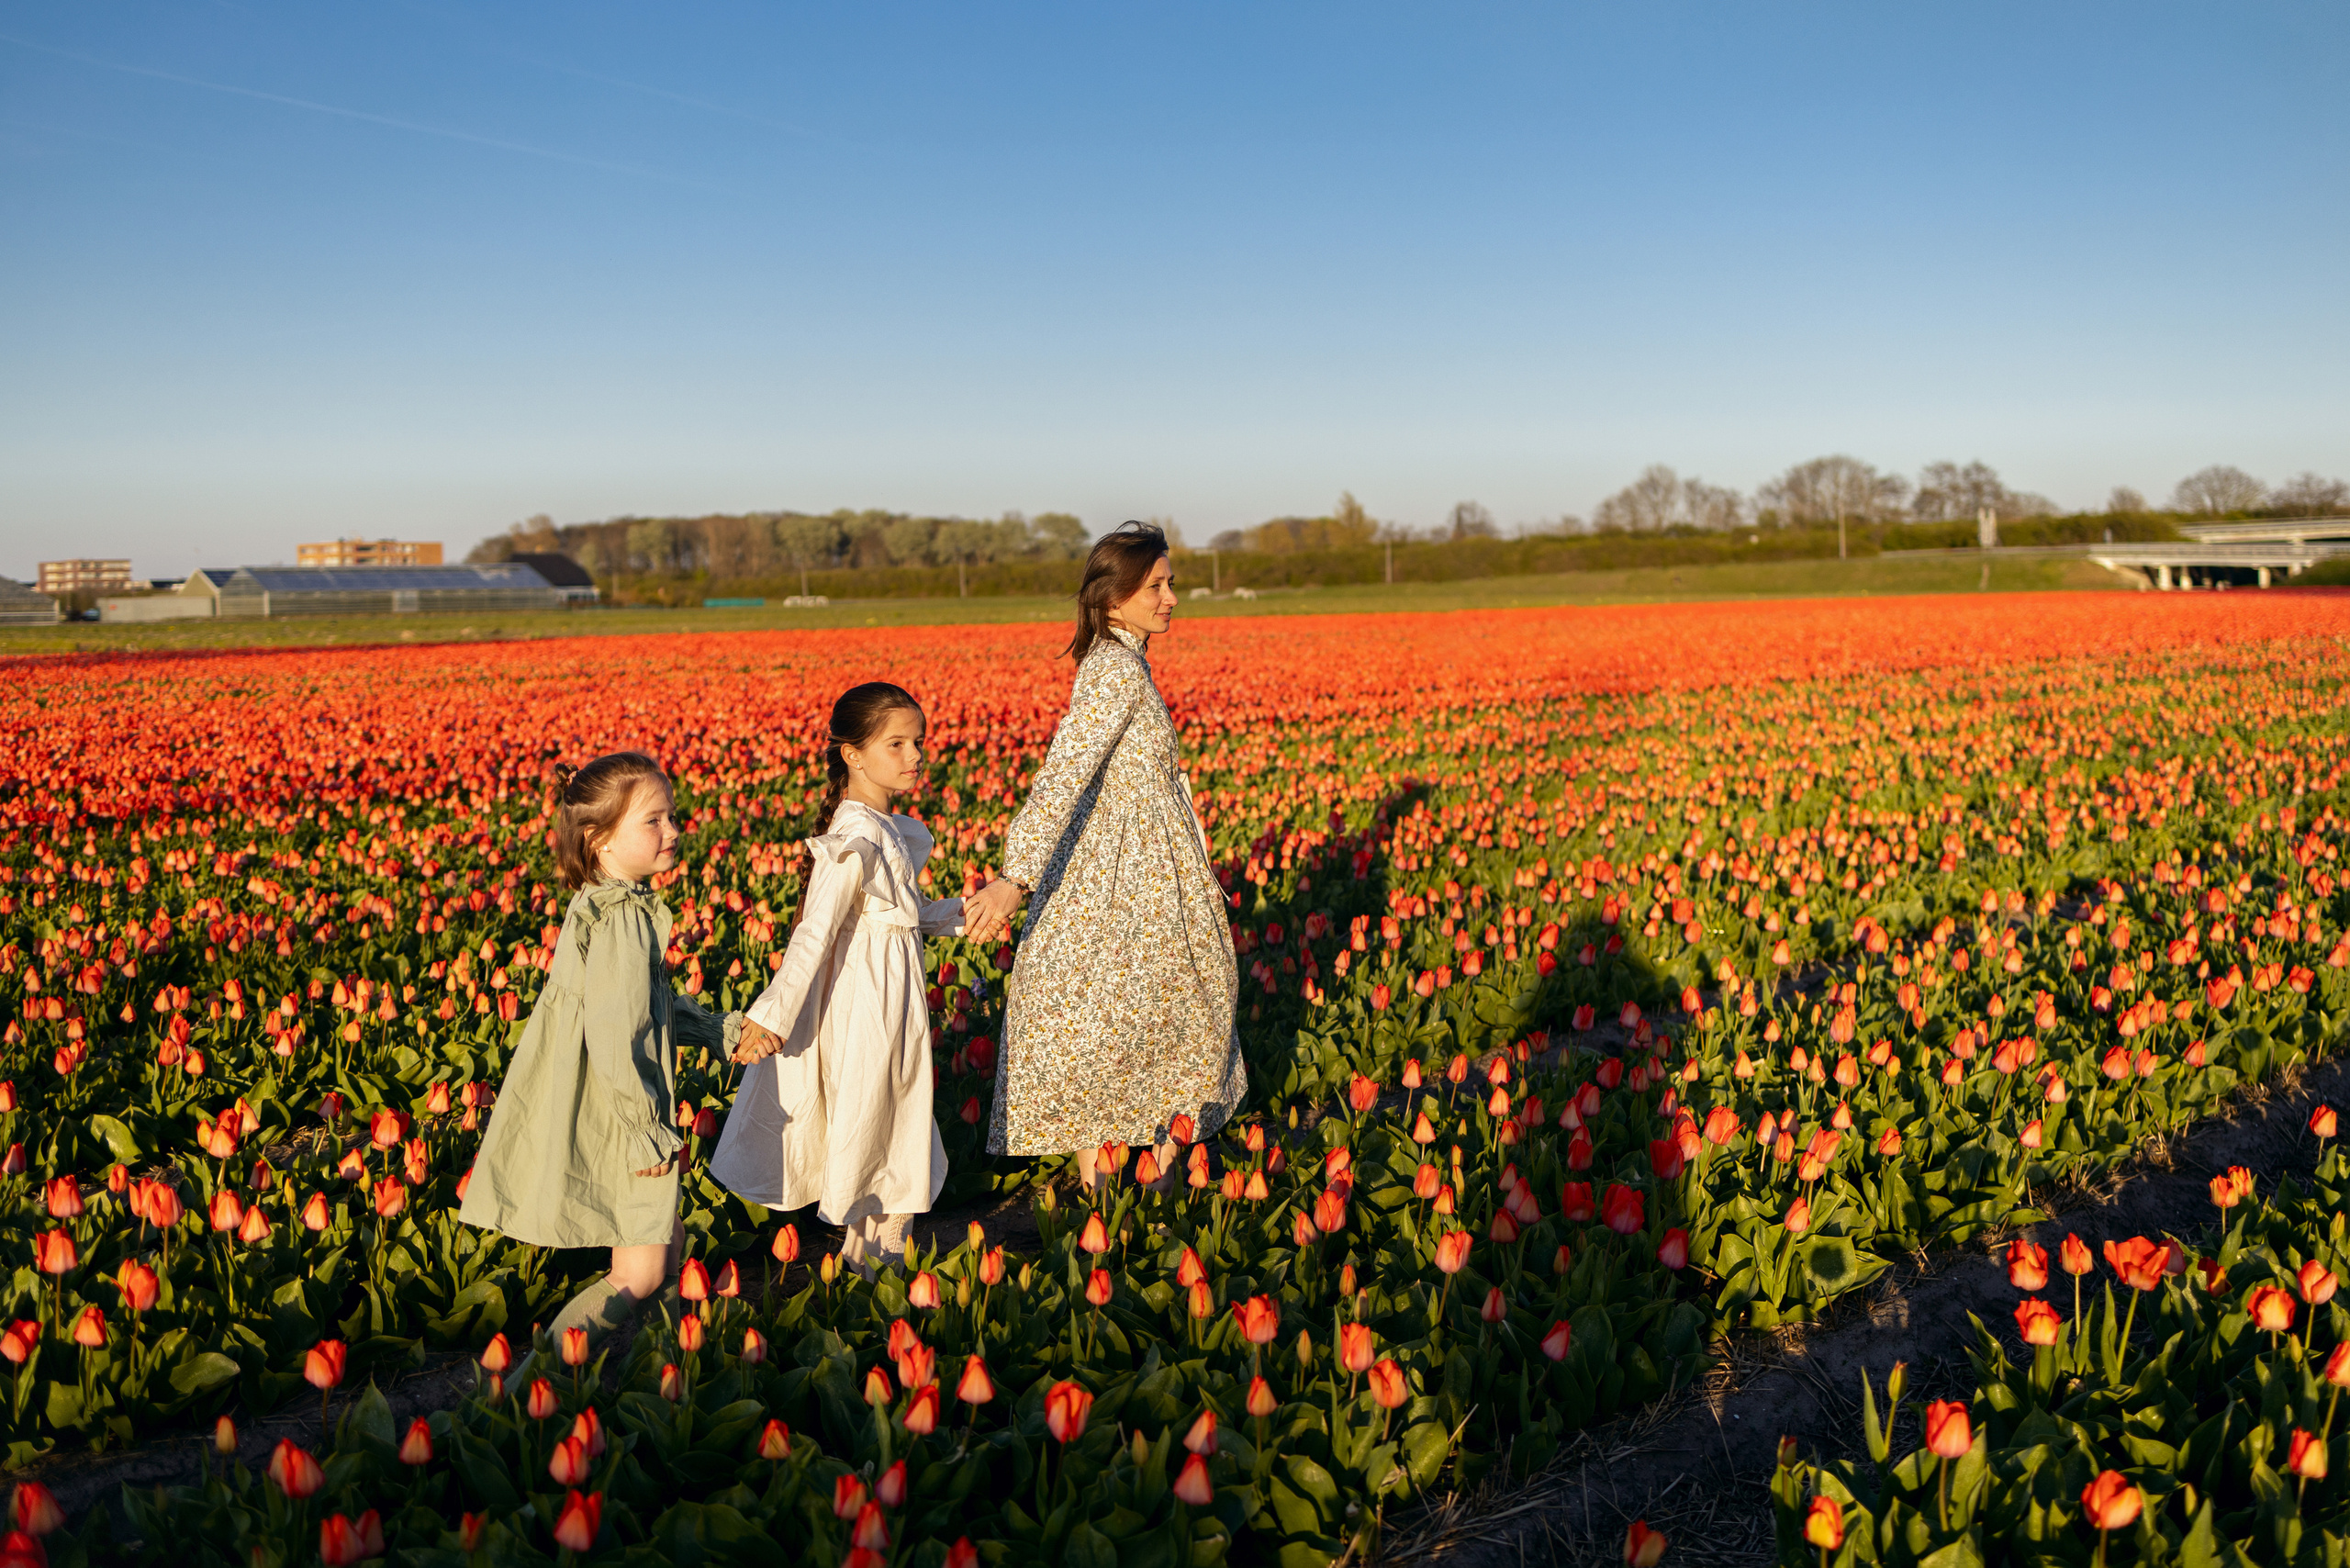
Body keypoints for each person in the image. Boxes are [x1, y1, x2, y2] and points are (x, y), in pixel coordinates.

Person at [963, 522, 1245, 1185]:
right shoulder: (1114, 671)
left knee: (1160, 1018)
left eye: (1171, 581)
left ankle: (1143, 1187)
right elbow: (1065, 773)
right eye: (1157, 585)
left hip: (1145, 870)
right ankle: (1128, 1193)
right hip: (1125, 877)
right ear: (1113, 598)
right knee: (1137, 1023)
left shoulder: (1126, 663)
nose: (1172, 596)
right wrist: (1016, 878)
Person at [459, 751, 757, 1367]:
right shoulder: (621, 917)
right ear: (599, 841)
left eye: (672, 816)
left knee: (667, 1250)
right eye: (654, 820)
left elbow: (649, 1003)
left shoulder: (610, 902)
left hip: (609, 1105)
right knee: (640, 1273)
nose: (673, 830)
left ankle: (657, 1376)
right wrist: (644, 1131)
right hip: (620, 1114)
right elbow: (619, 1035)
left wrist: (718, 1031)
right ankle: (530, 1389)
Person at [711, 683, 962, 1277]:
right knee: (886, 1123)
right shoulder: (853, 837)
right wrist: (770, 1016)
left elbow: (898, 912)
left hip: (892, 1003)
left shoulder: (888, 827)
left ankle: (866, 1269)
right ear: (852, 753)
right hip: (867, 1010)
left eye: (918, 742)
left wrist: (962, 913)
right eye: (896, 743)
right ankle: (878, 1271)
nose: (914, 756)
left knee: (888, 1121)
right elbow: (812, 935)